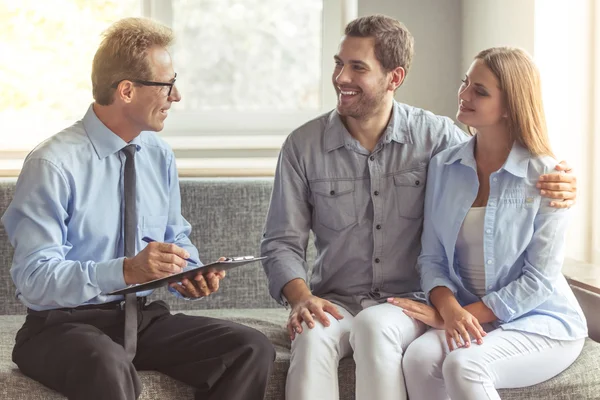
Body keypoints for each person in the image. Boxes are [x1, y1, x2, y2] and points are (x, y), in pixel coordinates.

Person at [261, 15, 578, 400]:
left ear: (394, 78)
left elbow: (504, 156)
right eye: (338, 63)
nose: (341, 77)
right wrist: (301, 298)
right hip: (336, 300)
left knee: (378, 328)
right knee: (312, 340)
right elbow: (281, 241)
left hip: (413, 300)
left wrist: (562, 183)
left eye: (357, 67)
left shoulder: (440, 141)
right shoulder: (303, 146)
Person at [2, 17, 274, 400]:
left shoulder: (157, 154)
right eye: (167, 85)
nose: (175, 96)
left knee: (250, 348)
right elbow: (33, 278)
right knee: (106, 364)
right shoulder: (53, 164)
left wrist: (189, 272)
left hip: (140, 319)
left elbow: (174, 237)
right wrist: (127, 270)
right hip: (60, 327)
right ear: (126, 90)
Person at [396, 47, 587, 400]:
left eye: (480, 91)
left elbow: (539, 281)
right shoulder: (444, 166)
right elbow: (432, 259)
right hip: (473, 316)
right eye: (465, 83)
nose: (464, 94)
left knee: (465, 364)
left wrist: (460, 316)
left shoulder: (546, 175)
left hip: (541, 320)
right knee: (418, 358)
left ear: (511, 106)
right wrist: (451, 311)